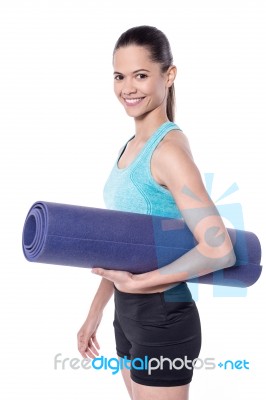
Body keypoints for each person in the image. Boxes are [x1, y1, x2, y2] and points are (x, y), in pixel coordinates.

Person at [77, 25, 236, 400]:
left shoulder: (168, 152)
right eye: (119, 76)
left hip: (163, 318)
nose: (127, 87)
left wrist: (140, 284)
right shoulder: (131, 147)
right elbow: (124, 247)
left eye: (141, 75)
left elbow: (220, 248)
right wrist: (95, 311)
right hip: (127, 315)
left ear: (169, 75)